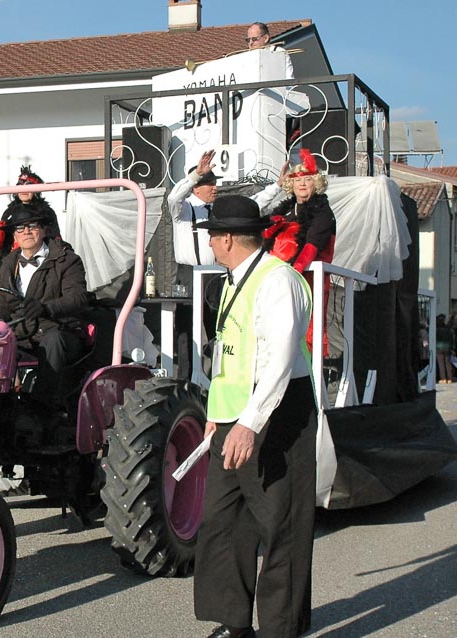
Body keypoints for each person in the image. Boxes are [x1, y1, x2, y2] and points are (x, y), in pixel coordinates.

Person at [193, 195, 315, 638]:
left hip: (276, 412)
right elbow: (229, 353)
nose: (209, 242)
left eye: (211, 235)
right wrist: (217, 413)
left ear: (227, 238)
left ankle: (281, 629)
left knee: (282, 526)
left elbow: (278, 360)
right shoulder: (233, 279)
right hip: (235, 413)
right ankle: (235, 623)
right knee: (222, 521)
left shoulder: (278, 280)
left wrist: (249, 423)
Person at [0, 205, 89, 403]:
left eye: (32, 226)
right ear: (15, 235)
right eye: (20, 228)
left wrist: (46, 308)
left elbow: (77, 297)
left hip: (59, 330)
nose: (26, 232)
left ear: (44, 230)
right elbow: (3, 307)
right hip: (22, 333)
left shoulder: (66, 260)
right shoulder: (9, 263)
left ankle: (43, 406)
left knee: (53, 342)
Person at [259, 149, 336, 353]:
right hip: (277, 278)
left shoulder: (322, 212)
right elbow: (264, 240)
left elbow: (312, 245)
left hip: (307, 279)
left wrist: (293, 274)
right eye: (297, 179)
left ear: (316, 183)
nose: (302, 183)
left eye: (307, 179)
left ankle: (310, 369)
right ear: (291, 184)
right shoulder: (285, 210)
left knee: (307, 329)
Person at [0, 166, 61, 270]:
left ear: (36, 190)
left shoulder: (47, 213)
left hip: (40, 260)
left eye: (29, 185)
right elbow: (1, 250)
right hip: (13, 262)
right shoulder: (9, 212)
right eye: (20, 185)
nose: (24, 189)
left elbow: (55, 240)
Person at [167, 150, 221, 267]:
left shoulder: (216, 209)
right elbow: (173, 198)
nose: (215, 188)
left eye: (215, 183)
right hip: (190, 273)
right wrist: (197, 174)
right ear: (195, 188)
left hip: (216, 272)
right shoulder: (184, 209)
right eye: (210, 184)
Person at [436, 314, 454, 384]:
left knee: (441, 364)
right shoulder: (449, 330)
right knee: (448, 363)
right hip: (447, 347)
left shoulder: (437, 330)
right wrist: (452, 348)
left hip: (439, 347)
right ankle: (449, 378)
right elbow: (451, 339)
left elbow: (435, 339)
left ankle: (443, 378)